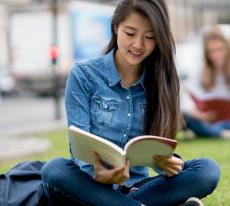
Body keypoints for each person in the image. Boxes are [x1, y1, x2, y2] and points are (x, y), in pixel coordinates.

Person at [41, 1, 220, 206]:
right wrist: (100, 175)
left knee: (207, 170)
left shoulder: (161, 81)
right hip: (90, 183)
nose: (138, 45)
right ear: (116, 27)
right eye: (130, 33)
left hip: (139, 185)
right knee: (54, 170)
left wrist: (169, 164)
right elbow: (78, 146)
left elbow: (157, 149)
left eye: (150, 37)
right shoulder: (83, 74)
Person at [182, 26, 230, 139]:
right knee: (190, 119)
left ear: (227, 49)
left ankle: (211, 132)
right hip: (206, 117)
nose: (216, 55)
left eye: (219, 49)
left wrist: (229, 110)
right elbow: (186, 99)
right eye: (211, 51)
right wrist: (199, 114)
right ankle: (227, 133)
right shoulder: (200, 70)